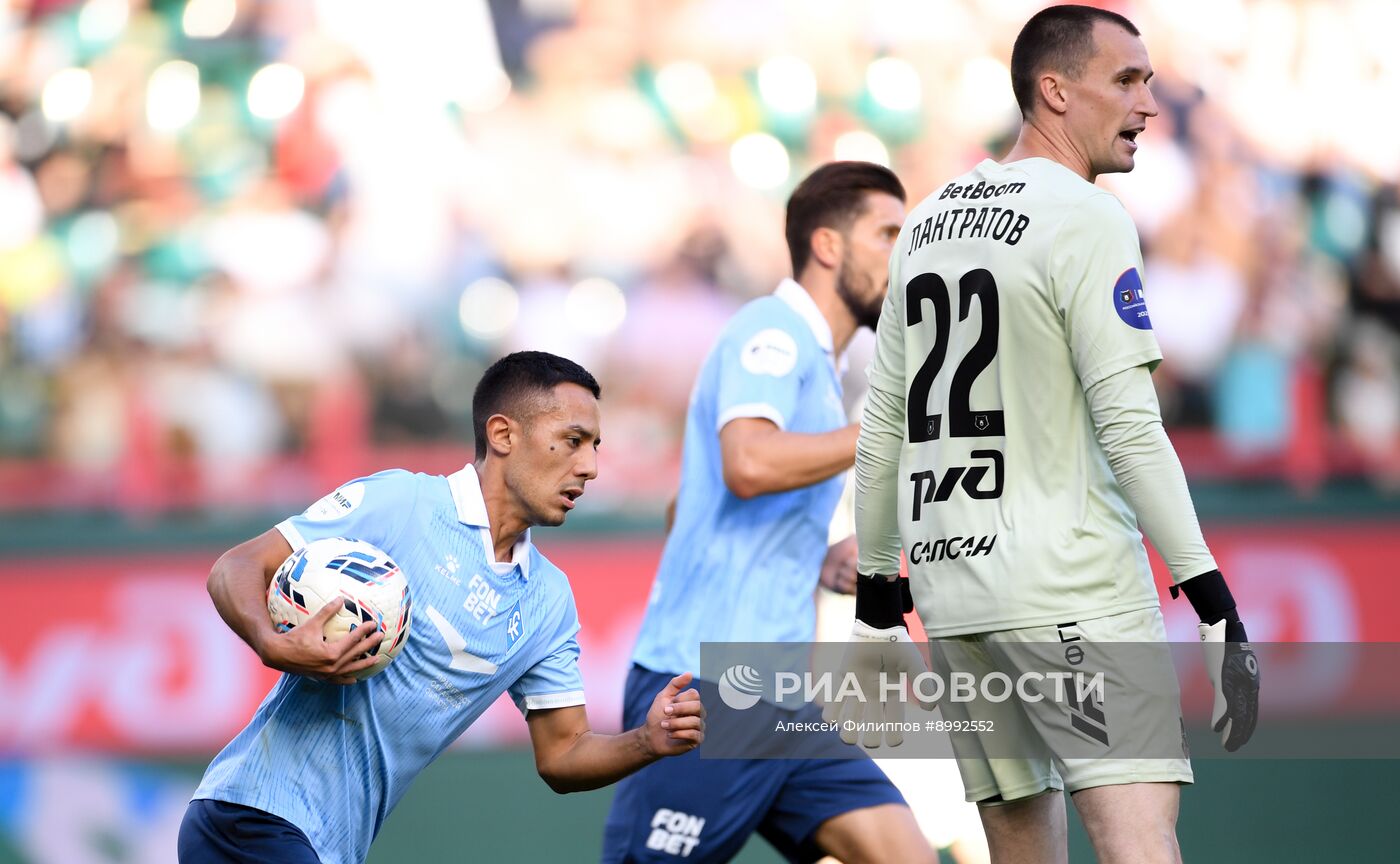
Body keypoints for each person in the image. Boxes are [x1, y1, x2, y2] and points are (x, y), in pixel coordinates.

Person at [836, 6, 1261, 864]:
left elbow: (883, 430)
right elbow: (1133, 429)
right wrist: (1212, 599)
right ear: (1055, 90)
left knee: (1020, 851)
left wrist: (879, 603)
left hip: (955, 594)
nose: (1148, 104)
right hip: (1070, 585)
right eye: (1128, 80)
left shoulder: (923, 222)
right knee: (1137, 841)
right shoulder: (1086, 215)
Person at [178, 351, 706, 864]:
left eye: (594, 446)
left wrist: (646, 741)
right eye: (572, 441)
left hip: (326, 846)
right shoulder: (400, 504)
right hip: (248, 816)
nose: (590, 467)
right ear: (503, 435)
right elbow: (236, 566)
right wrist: (273, 644)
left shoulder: (548, 599)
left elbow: (563, 754)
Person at [600, 162, 936, 864]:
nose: (903, 255)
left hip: (782, 699)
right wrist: (889, 427)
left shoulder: (821, 368)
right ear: (828, 246)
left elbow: (682, 510)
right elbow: (747, 464)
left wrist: (813, 556)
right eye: (888, 234)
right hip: (705, 691)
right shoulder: (773, 330)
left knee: (906, 854)